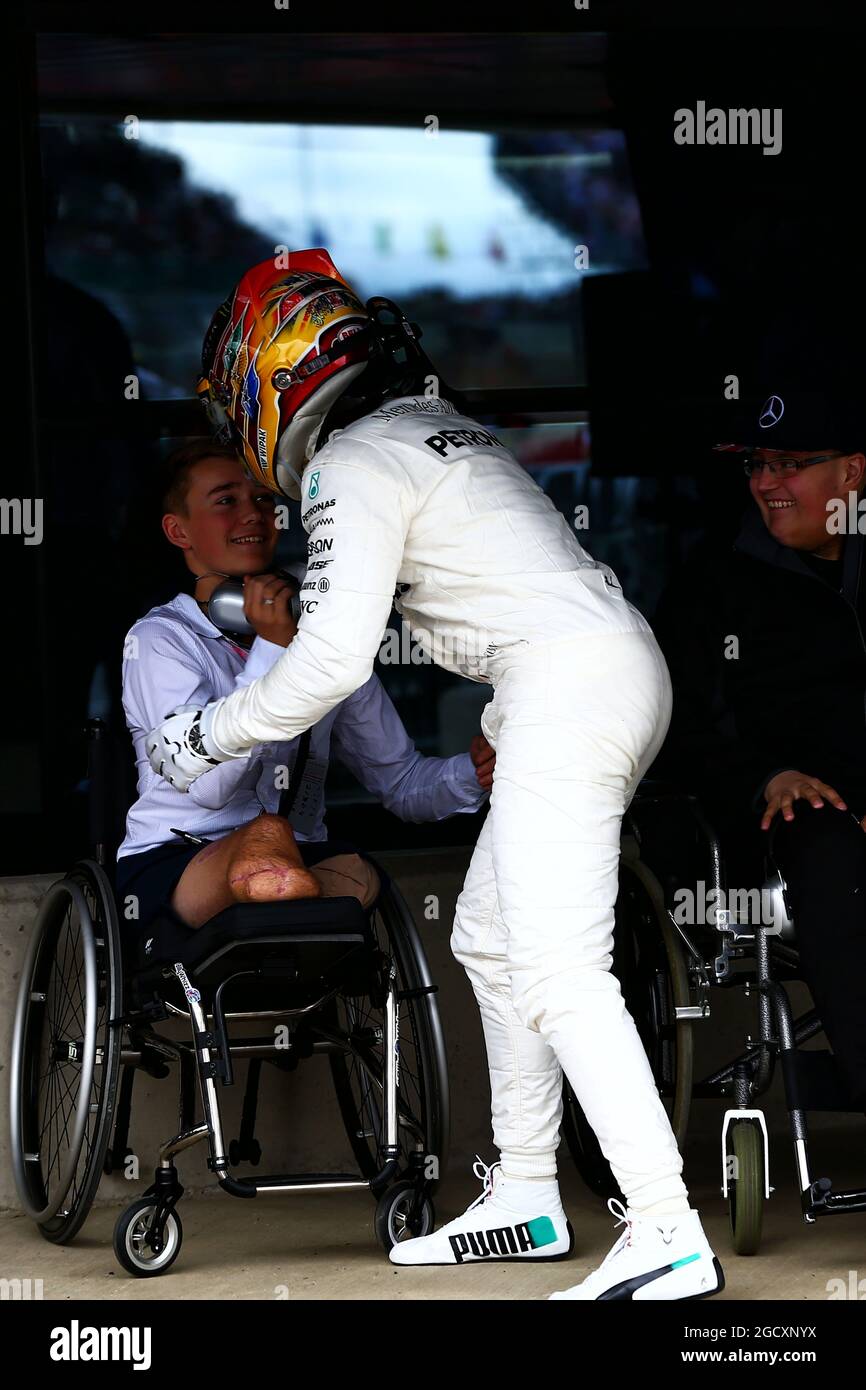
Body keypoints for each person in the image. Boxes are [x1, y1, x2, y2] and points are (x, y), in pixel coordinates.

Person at [146, 249, 724, 1300]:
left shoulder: (349, 463)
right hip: (592, 673)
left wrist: (205, 737)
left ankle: (665, 1226)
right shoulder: (422, 429)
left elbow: (325, 659)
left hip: (564, 686)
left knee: (556, 970)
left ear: (266, 374)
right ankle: (528, 1195)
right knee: (490, 938)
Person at [117, 437, 494, 958]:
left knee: (355, 869)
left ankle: (285, 891)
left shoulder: (319, 633)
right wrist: (273, 651)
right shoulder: (159, 641)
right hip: (178, 862)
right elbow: (208, 789)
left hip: (294, 857)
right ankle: (285, 888)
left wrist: (472, 775)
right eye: (226, 500)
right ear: (178, 530)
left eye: (263, 501)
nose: (253, 514)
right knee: (270, 833)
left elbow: (401, 783)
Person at [655, 382, 866, 1110]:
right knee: (827, 846)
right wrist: (766, 775)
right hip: (778, 823)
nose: (765, 484)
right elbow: (673, 725)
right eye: (755, 465)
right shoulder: (714, 586)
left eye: (788, 463)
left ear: (852, 473)